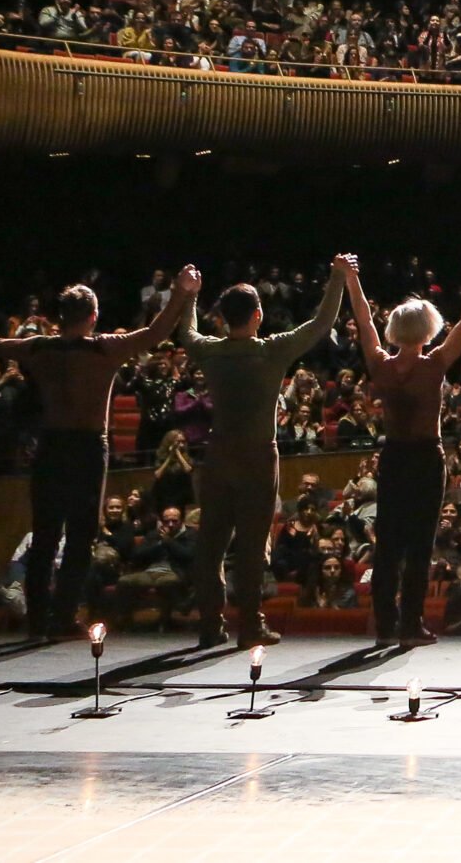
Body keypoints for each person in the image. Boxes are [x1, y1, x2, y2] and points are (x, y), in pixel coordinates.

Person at [0, 267, 200, 637]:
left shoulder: (40, 348)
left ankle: (37, 621)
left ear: (60, 317)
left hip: (52, 444)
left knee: (44, 538)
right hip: (88, 446)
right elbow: (157, 332)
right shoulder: (104, 347)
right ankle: (61, 619)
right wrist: (181, 291)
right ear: (93, 316)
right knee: (79, 539)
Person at [184, 263, 343, 648]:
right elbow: (321, 322)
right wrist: (338, 278)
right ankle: (250, 627)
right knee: (253, 545)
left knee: (212, 543)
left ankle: (210, 626)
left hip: (218, 454)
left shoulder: (209, 351)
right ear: (258, 316)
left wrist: (188, 293)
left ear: (221, 319)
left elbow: (186, 331)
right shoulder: (273, 350)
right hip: (257, 456)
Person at [343, 257, 461, 649]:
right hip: (424, 457)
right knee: (420, 544)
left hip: (394, 456)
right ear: (428, 329)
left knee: (387, 543)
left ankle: (385, 623)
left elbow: (365, 320)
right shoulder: (435, 363)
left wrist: (353, 277)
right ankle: (411, 624)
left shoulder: (379, 363)